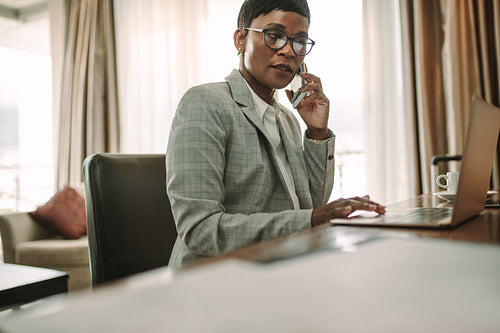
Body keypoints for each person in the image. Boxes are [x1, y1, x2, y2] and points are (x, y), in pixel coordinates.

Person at [166, 0, 385, 268]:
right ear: (240, 39)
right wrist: (312, 219)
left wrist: (317, 132)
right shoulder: (205, 102)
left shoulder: (287, 119)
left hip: (279, 267)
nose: (289, 51)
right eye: (274, 36)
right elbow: (200, 229)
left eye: (299, 41)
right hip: (214, 282)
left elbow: (310, 206)